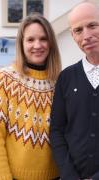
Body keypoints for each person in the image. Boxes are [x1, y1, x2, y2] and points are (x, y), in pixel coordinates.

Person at [0, 13, 61, 180]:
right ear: (21, 44)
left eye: (43, 38)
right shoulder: (5, 78)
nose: (37, 45)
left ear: (51, 43)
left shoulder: (60, 82)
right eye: (30, 40)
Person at [50, 2, 99, 180]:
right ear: (72, 35)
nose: (86, 35)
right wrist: (69, 175)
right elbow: (57, 130)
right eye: (78, 30)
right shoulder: (66, 78)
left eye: (92, 25)